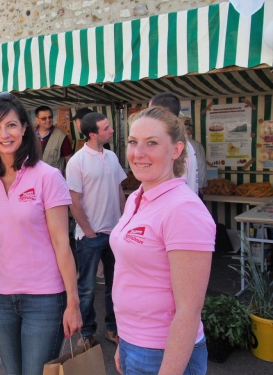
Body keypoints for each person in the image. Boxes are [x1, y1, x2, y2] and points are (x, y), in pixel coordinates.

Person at [0, 93, 81, 375]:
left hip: (44, 298)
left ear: (25, 127)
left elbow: (62, 243)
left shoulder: (47, 176)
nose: (4, 134)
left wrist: (73, 301)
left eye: (11, 125)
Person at [110, 107, 215, 375]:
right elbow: (133, 277)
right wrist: (125, 341)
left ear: (176, 150)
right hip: (134, 342)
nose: (138, 153)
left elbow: (189, 311)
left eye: (152, 143)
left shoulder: (183, 210)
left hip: (164, 352)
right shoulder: (137, 198)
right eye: (133, 142)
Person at [66, 112, 126, 347]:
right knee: (87, 288)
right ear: (92, 134)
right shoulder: (77, 161)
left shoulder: (111, 156)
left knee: (116, 286)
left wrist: (124, 221)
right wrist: (88, 231)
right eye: (106, 128)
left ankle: (113, 329)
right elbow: (74, 201)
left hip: (115, 234)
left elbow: (119, 190)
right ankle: (87, 332)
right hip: (90, 237)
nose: (111, 131)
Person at [149, 92, 198, 194]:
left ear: (163, 114)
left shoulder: (174, 146)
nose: (149, 116)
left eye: (151, 111)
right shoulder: (184, 143)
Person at [34, 105, 73, 175]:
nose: (48, 120)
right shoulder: (29, 136)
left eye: (50, 117)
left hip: (54, 181)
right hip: (35, 181)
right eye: (44, 118)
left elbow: (70, 161)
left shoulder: (61, 136)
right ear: (37, 120)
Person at [184, 118, 207, 197]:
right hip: (193, 186)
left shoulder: (171, 144)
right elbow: (201, 165)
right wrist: (201, 185)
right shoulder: (196, 145)